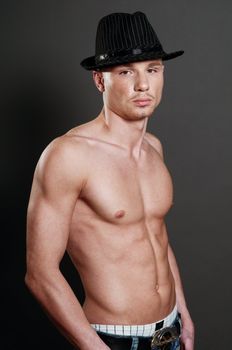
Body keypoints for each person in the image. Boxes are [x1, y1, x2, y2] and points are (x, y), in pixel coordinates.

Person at [25, 11, 194, 350]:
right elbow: (40, 273)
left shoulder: (153, 148)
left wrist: (185, 317)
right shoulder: (68, 155)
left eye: (153, 69)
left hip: (172, 333)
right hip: (112, 340)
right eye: (126, 71)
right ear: (100, 80)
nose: (143, 84)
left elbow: (155, 235)